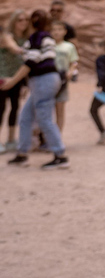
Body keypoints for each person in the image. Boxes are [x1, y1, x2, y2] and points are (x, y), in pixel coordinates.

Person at [3, 10, 69, 169]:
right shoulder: (42, 37)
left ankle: (60, 155)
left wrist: (13, 81)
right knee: (25, 117)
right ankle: (22, 153)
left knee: (44, 119)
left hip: (43, 81)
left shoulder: (37, 37)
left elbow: (30, 63)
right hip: (42, 82)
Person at [0, 10, 31, 154]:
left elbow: (24, 65)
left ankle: (11, 140)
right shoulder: (7, 36)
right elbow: (14, 48)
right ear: (14, 22)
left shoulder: (27, 39)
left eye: (25, 20)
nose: (23, 22)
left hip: (17, 78)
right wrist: (32, 52)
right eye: (20, 20)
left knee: (14, 108)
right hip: (3, 77)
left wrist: (25, 83)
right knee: (0, 109)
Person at [51, 20, 79, 134]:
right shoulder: (48, 45)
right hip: (48, 80)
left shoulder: (69, 46)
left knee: (60, 109)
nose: (56, 32)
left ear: (64, 32)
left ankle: (58, 137)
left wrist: (70, 72)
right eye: (54, 30)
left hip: (62, 81)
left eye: (59, 29)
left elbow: (74, 61)